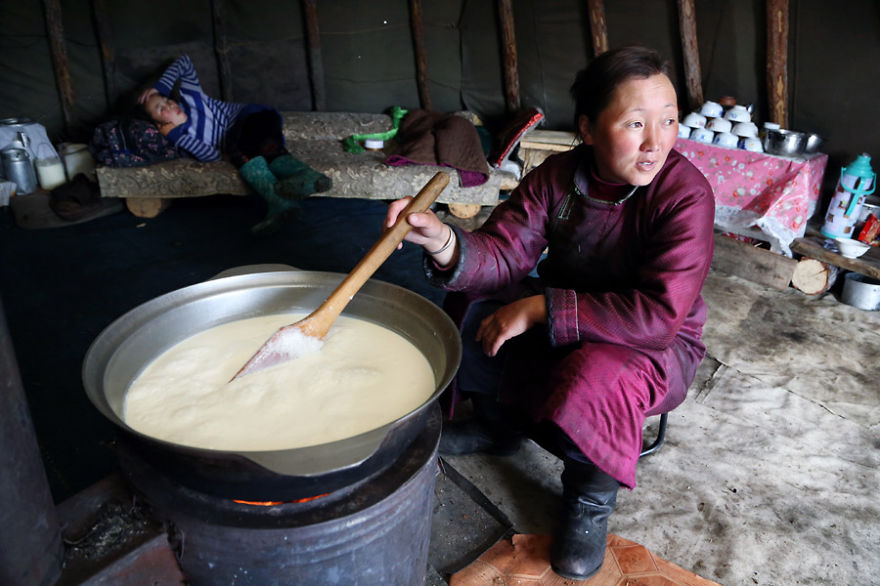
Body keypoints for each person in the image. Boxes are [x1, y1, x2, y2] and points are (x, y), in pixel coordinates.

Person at [383, 45, 715, 580]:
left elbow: (658, 316)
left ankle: (588, 500)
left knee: (598, 373)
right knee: (470, 307)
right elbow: (504, 253)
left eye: (670, 121)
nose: (657, 142)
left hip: (652, 345)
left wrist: (541, 308)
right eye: (635, 123)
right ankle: (499, 426)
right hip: (568, 318)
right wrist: (442, 239)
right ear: (588, 127)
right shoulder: (557, 176)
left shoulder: (685, 195)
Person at [137, 54, 331, 235]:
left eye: (167, 99)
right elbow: (211, 156)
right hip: (254, 140)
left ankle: (279, 203)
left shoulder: (192, 99)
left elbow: (184, 62)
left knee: (238, 149)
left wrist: (158, 89)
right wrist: (176, 136)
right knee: (263, 153)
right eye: (161, 109)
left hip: (255, 116)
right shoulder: (184, 138)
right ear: (161, 125)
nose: (170, 104)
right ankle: (309, 178)